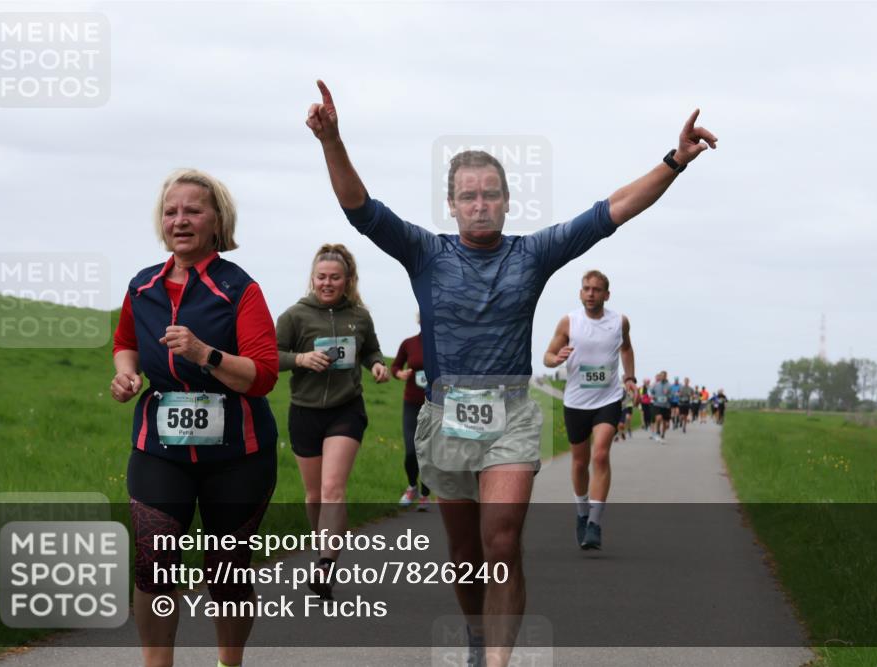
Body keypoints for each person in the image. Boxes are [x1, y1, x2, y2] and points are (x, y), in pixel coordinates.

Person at [305, 79, 716, 666]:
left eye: (491, 194)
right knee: (466, 556)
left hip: (511, 417)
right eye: (468, 196)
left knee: (500, 542)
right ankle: (477, 640)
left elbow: (613, 210)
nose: (480, 204)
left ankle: (497, 660)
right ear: (452, 204)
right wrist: (332, 141)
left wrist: (674, 161)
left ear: (507, 202)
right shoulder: (425, 253)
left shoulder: (532, 253)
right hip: (445, 417)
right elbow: (360, 209)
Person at [111, 168, 279, 667]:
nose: (179, 220)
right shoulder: (142, 286)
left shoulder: (240, 289)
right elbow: (124, 343)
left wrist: (206, 354)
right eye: (171, 211)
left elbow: (264, 375)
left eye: (193, 211)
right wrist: (126, 375)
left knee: (227, 570)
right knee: (154, 560)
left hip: (238, 454)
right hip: (160, 448)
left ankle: (229, 662)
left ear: (217, 221)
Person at [275, 243, 390, 599]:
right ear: (312, 278)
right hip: (304, 411)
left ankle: (326, 564)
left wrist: (377, 364)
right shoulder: (294, 316)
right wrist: (301, 360)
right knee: (314, 495)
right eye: (321, 277)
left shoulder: (359, 316)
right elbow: (270, 356)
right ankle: (321, 546)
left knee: (332, 489)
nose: (327, 283)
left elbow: (371, 349)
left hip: (346, 409)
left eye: (335, 278)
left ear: (348, 280)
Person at [543, 270, 635, 550]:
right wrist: (555, 359)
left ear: (607, 294)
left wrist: (629, 378)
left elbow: (626, 349)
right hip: (576, 402)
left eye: (596, 289)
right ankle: (582, 513)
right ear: (580, 293)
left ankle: (594, 523)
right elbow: (547, 356)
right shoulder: (569, 322)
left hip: (608, 398)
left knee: (601, 454)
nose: (591, 293)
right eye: (586, 288)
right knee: (580, 462)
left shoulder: (619, 322)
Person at [391, 321, 432, 511]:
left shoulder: (443, 344)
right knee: (411, 451)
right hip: (412, 404)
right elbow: (395, 366)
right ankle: (412, 487)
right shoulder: (409, 343)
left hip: (435, 405)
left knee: (429, 452)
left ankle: (425, 495)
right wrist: (400, 374)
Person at [649, 371, 672, 443]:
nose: (662, 377)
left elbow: (672, 395)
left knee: (665, 422)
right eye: (661, 376)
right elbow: (650, 391)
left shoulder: (669, 385)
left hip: (666, 406)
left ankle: (663, 434)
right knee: (658, 418)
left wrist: (668, 395)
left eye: (664, 376)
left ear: (666, 376)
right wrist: (652, 396)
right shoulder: (656, 384)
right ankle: (657, 431)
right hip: (657, 404)